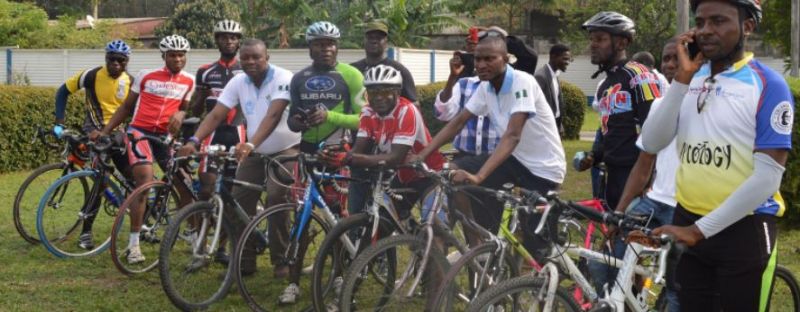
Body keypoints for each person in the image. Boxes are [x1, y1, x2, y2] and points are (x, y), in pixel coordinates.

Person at [641, 0, 792, 310]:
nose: (707, 31)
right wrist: (681, 81)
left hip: (743, 228)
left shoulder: (767, 85)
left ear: (747, 26)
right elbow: (653, 142)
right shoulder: (690, 78)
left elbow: (767, 178)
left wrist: (699, 231)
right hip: (688, 219)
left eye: (719, 21)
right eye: (701, 22)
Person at [416, 36, 566, 252]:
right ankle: (476, 240)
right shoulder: (486, 87)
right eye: (477, 59)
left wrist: (480, 176)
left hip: (543, 169)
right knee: (455, 172)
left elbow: (513, 135)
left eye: (489, 59)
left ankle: (550, 276)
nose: (481, 65)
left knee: (536, 246)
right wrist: (422, 155)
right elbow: (457, 122)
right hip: (515, 160)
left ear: (505, 59)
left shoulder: (522, 82)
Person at [178, 38, 300, 282]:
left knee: (276, 197)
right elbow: (215, 115)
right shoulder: (238, 81)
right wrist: (193, 140)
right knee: (237, 199)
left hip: (286, 148)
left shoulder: (284, 78)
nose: (250, 62)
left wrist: (251, 143)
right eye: (245, 58)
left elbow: (274, 115)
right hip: (255, 150)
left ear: (267, 57)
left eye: (256, 57)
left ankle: (282, 259)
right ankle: (244, 261)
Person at [577, 11, 663, 292]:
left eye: (600, 39)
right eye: (592, 39)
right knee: (616, 261)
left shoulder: (640, 77)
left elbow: (655, 131)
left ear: (623, 41)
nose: (593, 45)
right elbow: (606, 129)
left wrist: (648, 182)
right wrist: (594, 155)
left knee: (619, 263)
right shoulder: (605, 84)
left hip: (637, 179)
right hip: (612, 179)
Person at [282, 21, 365, 304]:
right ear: (310, 48)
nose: (326, 49)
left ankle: (340, 275)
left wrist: (331, 117)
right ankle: (293, 282)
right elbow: (292, 119)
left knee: (336, 219)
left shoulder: (351, 75)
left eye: (330, 43)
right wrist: (297, 120)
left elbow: (363, 118)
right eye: (319, 43)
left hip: (336, 153)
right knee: (301, 220)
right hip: (306, 153)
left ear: (337, 46)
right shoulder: (299, 78)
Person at [99, 35, 195, 264]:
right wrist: (105, 131)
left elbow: (186, 111)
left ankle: (193, 234)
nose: (177, 59)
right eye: (172, 55)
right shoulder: (145, 75)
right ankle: (133, 245)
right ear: (164, 56)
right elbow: (126, 107)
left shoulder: (190, 81)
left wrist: (182, 115)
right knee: (144, 182)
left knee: (185, 182)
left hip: (165, 138)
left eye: (181, 55)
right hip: (139, 132)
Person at [611, 39, 683, 312]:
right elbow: (644, 163)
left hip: (684, 209)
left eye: (677, 58)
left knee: (677, 290)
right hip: (654, 202)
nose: (670, 65)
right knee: (609, 262)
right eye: (666, 59)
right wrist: (619, 212)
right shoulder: (659, 106)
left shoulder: (705, 102)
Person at [53, 39, 133, 250]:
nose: (115, 63)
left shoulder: (132, 82)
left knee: (135, 181)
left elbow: (136, 111)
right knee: (100, 182)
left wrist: (128, 132)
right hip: (95, 136)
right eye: (111, 59)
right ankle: (86, 232)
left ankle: (140, 227)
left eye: (120, 60)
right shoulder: (90, 75)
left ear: (127, 61)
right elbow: (63, 92)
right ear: (106, 58)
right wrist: (59, 123)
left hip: (118, 138)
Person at [187, 19, 244, 264]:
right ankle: (200, 244)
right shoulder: (205, 71)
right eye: (223, 37)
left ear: (239, 41)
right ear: (217, 40)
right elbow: (197, 105)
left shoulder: (247, 69)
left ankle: (222, 246)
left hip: (239, 134)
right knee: (207, 191)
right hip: (213, 135)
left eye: (233, 37)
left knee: (230, 194)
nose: (228, 41)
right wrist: (184, 112)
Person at [350, 20, 417, 103]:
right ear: (364, 41)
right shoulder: (353, 70)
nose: (374, 41)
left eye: (378, 38)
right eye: (370, 37)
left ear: (386, 42)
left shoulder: (399, 71)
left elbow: (413, 104)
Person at [534, 43, 571, 135]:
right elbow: (536, 106)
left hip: (555, 123)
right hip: (544, 126)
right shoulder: (541, 76)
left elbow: (556, 103)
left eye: (569, 59)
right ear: (553, 57)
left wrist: (559, 124)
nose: (568, 62)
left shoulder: (555, 75)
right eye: (565, 59)